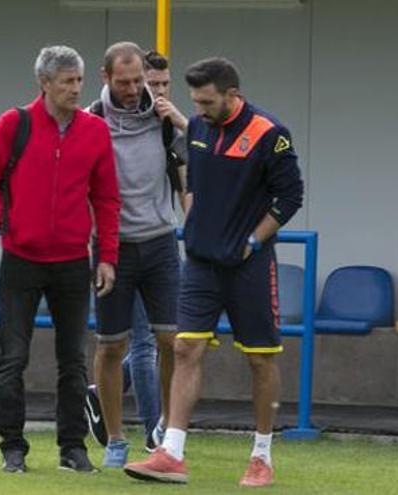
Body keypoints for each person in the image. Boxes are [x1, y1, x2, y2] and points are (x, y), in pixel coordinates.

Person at [124, 57, 303, 487]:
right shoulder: (200, 128)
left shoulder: (270, 134)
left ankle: (261, 456)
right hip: (200, 263)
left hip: (249, 266)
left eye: (207, 102)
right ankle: (172, 452)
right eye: (195, 102)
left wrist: (254, 241)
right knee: (185, 349)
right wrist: (194, 218)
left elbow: (290, 196)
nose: (199, 111)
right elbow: (193, 183)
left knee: (260, 359)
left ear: (232, 95)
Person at [0, 45, 120, 474]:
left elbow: (107, 198)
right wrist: (9, 222)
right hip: (20, 260)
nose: (75, 88)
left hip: (73, 262)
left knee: (72, 360)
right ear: (44, 83)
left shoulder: (95, 131)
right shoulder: (14, 123)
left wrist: (107, 257)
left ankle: (72, 448)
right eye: (67, 81)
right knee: (12, 357)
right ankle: (12, 448)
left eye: (79, 80)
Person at [90, 42, 186, 469]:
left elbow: (193, 161)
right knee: (113, 346)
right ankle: (114, 438)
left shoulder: (163, 117)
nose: (133, 90)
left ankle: (166, 431)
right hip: (111, 246)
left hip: (161, 240)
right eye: (124, 82)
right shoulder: (91, 119)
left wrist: (179, 120)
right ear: (106, 77)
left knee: (171, 341)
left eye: (139, 82)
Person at [116, 49, 189, 453]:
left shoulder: (169, 126)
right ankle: (152, 431)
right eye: (151, 85)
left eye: (164, 85)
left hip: (163, 242)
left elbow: (189, 174)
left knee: (168, 340)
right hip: (124, 244)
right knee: (141, 344)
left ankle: (98, 392)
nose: (158, 92)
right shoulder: (119, 122)